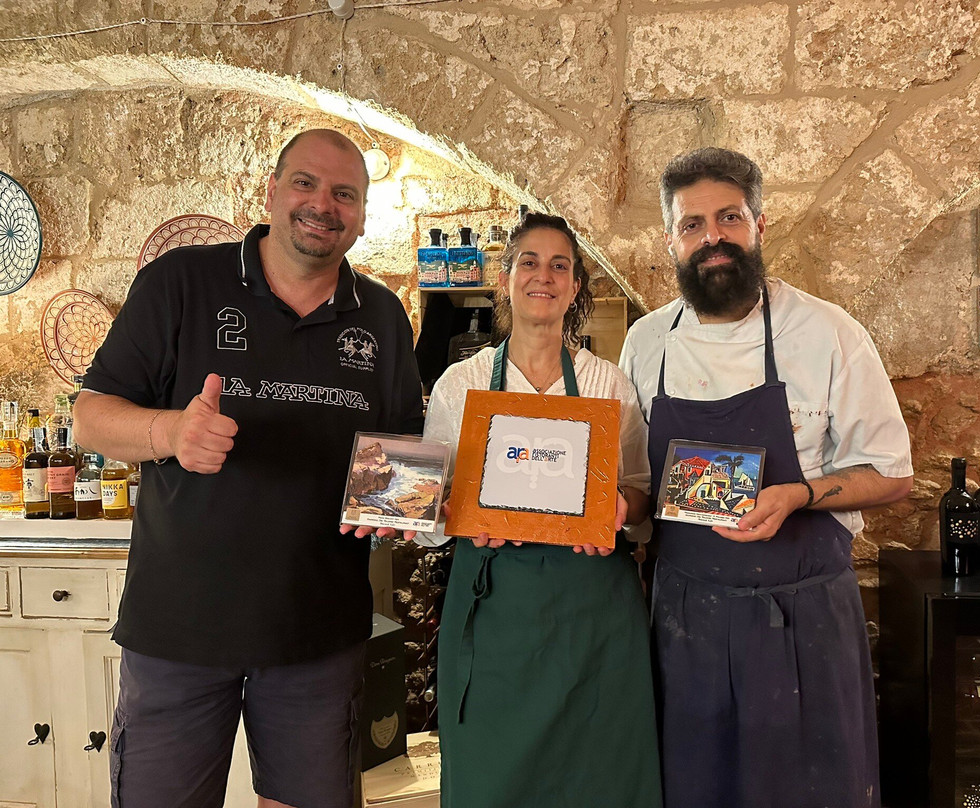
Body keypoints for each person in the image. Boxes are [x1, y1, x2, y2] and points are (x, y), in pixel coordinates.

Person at [74, 129, 424, 808]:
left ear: (360, 216)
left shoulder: (382, 316)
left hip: (318, 636)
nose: (322, 205)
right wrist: (170, 432)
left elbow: (401, 450)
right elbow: (90, 417)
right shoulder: (181, 282)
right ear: (271, 191)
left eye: (344, 194)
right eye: (305, 183)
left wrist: (404, 510)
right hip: (180, 629)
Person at [619, 147, 913, 808]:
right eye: (692, 224)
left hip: (804, 620)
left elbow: (893, 475)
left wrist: (799, 495)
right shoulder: (646, 343)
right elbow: (636, 481)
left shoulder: (829, 333)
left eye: (729, 217)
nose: (712, 237)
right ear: (670, 239)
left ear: (759, 224)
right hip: (684, 622)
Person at [422, 212, 662, 808]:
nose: (543, 276)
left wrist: (618, 507)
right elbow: (430, 507)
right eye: (528, 262)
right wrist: (443, 510)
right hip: (494, 608)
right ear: (506, 278)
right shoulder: (460, 384)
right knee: (490, 778)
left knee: (599, 778)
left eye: (560, 266)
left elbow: (641, 496)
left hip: (593, 614)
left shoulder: (609, 385)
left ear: (575, 286)